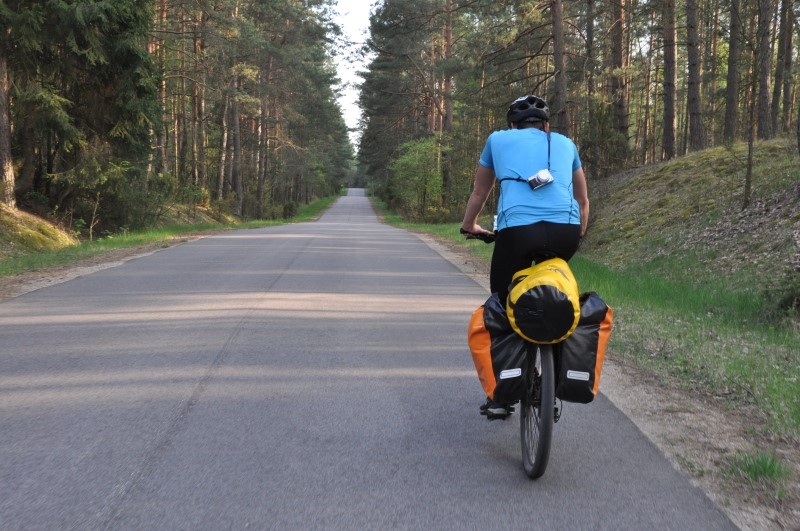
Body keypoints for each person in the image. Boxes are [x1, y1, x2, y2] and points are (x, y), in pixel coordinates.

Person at [460, 94, 590, 419]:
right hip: (566, 231)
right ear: (546, 125)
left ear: (512, 126)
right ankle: (557, 377)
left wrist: (469, 225)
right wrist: (579, 233)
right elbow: (583, 199)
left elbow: (480, 192)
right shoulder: (565, 143)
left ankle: (503, 397)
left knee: (503, 303)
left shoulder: (497, 140)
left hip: (517, 232)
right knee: (558, 295)